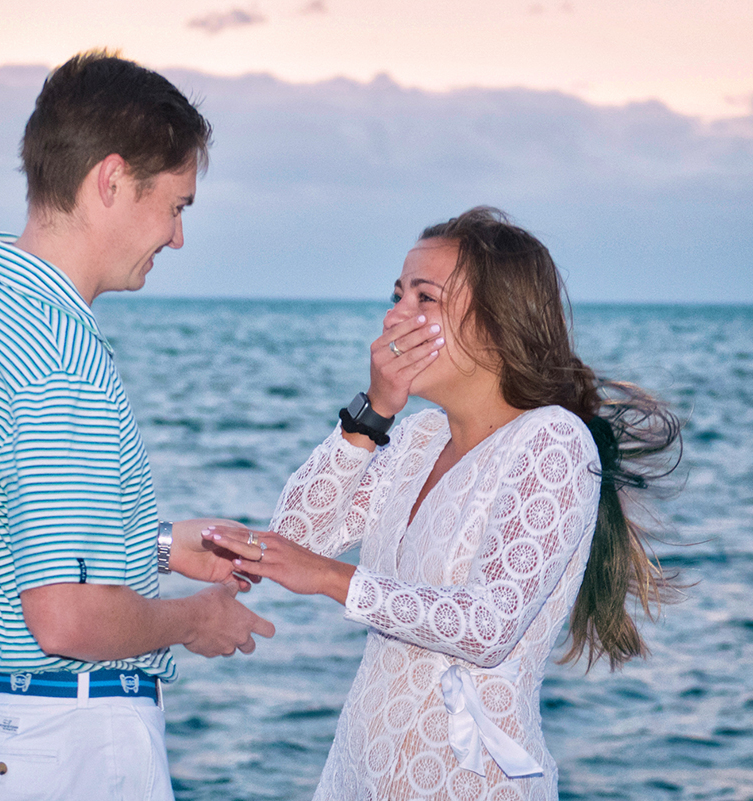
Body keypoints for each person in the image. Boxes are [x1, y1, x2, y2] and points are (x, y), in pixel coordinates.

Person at [0, 50, 274, 801]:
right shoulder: (61, 358)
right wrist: (195, 621)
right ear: (111, 179)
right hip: (62, 745)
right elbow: (64, 619)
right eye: (176, 205)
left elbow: (4, 530)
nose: (177, 237)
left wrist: (156, 545)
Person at [205, 207, 680, 800]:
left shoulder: (552, 441)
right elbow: (297, 536)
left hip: (468, 781)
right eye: (396, 294)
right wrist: (371, 416)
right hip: (358, 773)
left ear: (498, 322)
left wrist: (332, 579)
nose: (394, 315)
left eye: (423, 298)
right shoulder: (415, 438)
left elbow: (488, 625)